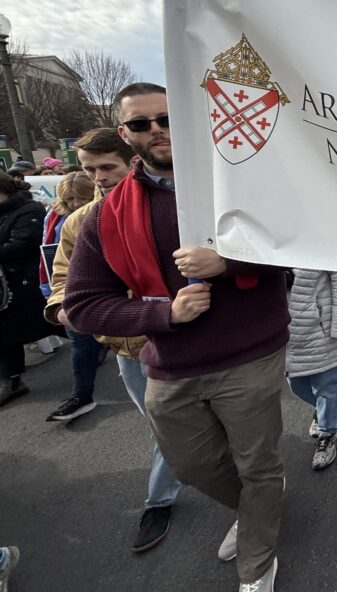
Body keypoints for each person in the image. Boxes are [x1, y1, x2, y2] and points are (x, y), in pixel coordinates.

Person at [63, 84, 289, 591]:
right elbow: (81, 306)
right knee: (192, 466)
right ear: (125, 134)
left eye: (167, 118)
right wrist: (163, 313)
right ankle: (261, 509)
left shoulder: (238, 187)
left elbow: (296, 248)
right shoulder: (106, 216)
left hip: (249, 354)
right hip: (170, 362)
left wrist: (228, 262)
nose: (157, 130)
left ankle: (257, 565)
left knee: (258, 464)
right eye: (141, 124)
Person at [44, 126, 184, 553]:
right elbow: (62, 284)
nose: (99, 176)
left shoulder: (172, 206)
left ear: (132, 162)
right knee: (164, 429)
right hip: (128, 350)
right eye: (90, 169)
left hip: (181, 343)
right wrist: (67, 310)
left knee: (177, 430)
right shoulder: (80, 222)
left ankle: (160, 500)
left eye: (108, 167)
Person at [41, 172, 103, 422]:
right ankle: (82, 396)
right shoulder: (54, 217)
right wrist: (53, 294)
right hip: (70, 291)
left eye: (82, 197)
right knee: (80, 344)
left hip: (101, 291)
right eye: (70, 199)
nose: (77, 203)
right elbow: (54, 258)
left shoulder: (99, 212)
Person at [0, 173, 64, 407]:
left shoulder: (28, 210)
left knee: (61, 321)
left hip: (27, 281)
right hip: (4, 287)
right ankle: (13, 380)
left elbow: (22, 244)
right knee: (6, 335)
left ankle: (94, 343)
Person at [286, 268, 337, 471]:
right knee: (296, 385)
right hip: (286, 335)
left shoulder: (325, 236)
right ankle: (324, 410)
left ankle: (328, 431)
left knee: (326, 387)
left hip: (321, 330)